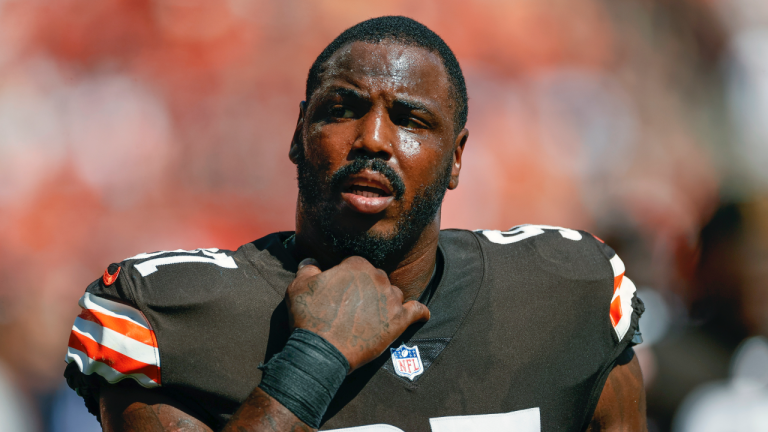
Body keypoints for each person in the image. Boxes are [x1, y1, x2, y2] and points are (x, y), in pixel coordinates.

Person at [64, 16, 646, 432]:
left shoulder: (565, 295)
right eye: (342, 110)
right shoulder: (171, 315)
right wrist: (313, 360)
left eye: (410, 119)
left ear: (456, 159)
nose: (373, 139)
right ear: (298, 134)